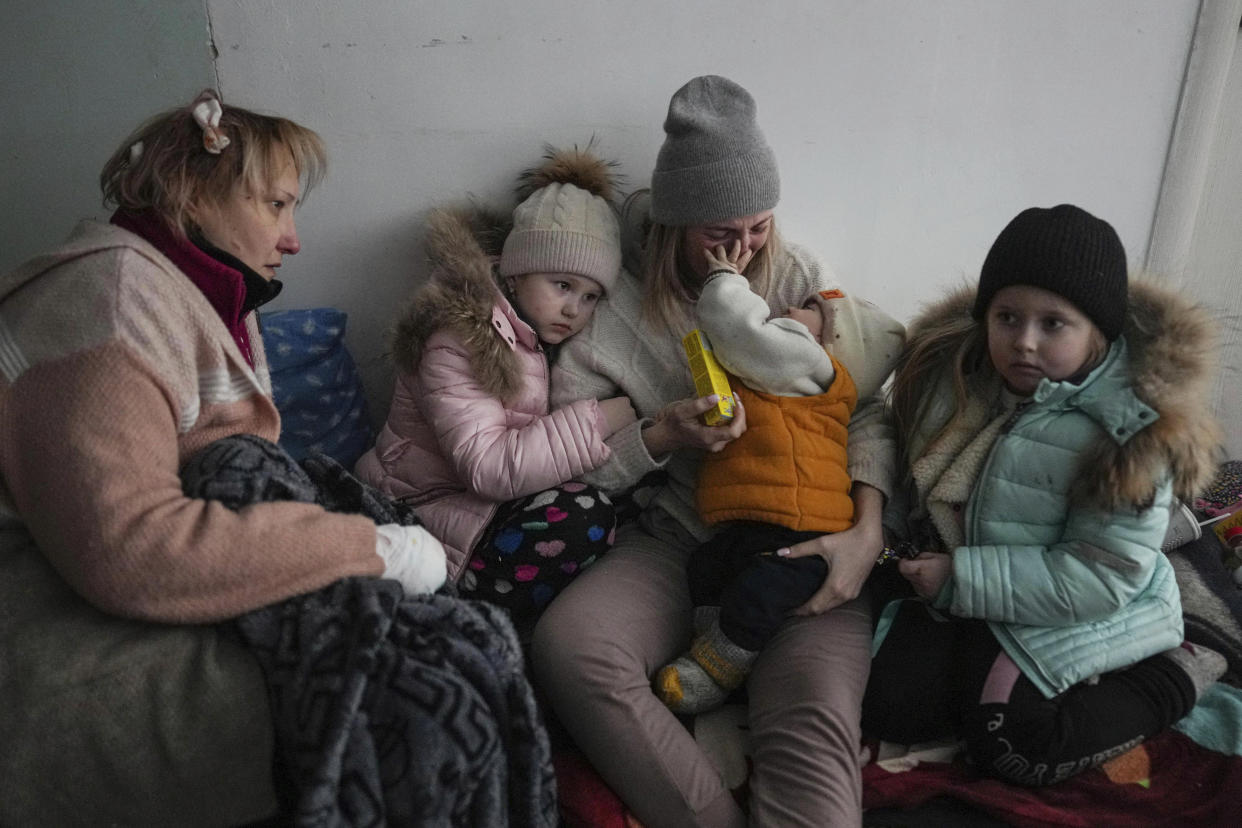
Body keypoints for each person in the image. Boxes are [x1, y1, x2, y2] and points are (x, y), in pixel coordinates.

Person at [0, 90, 446, 825]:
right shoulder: (112, 303)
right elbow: (132, 549)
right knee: (400, 688)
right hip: (43, 621)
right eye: (275, 205)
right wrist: (367, 549)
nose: (294, 237)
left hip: (100, 574)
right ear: (194, 191)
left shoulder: (193, 290)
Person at [532, 74, 897, 827]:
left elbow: (864, 414)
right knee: (571, 649)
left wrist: (866, 531)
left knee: (813, 711)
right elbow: (569, 467)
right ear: (672, 224)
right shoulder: (607, 315)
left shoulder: (798, 279)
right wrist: (659, 437)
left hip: (807, 531)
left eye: (759, 226)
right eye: (719, 233)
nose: (742, 248)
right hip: (679, 537)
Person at [867, 203, 1227, 786]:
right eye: (1007, 317)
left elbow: (1102, 578)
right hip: (994, 595)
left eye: (1053, 323)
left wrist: (960, 580)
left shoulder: (1127, 434)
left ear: (1098, 332)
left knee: (1014, 748)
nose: (1024, 342)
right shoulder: (966, 381)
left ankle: (1178, 672)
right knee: (889, 707)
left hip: (1086, 604)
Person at [356, 145, 636, 636]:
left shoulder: (536, 334)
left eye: (591, 297)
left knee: (620, 500)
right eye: (562, 284)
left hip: (480, 506)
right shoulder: (457, 336)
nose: (575, 310)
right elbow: (487, 468)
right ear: (516, 270)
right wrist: (600, 419)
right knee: (583, 515)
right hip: (423, 510)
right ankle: (468, 620)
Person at [655, 240, 905, 714]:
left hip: (803, 532)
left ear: (836, 345)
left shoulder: (815, 367)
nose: (790, 307)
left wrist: (723, 279)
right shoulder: (789, 383)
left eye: (810, 311)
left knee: (758, 593)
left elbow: (741, 330)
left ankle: (717, 666)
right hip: (759, 523)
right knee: (706, 567)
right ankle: (718, 643)